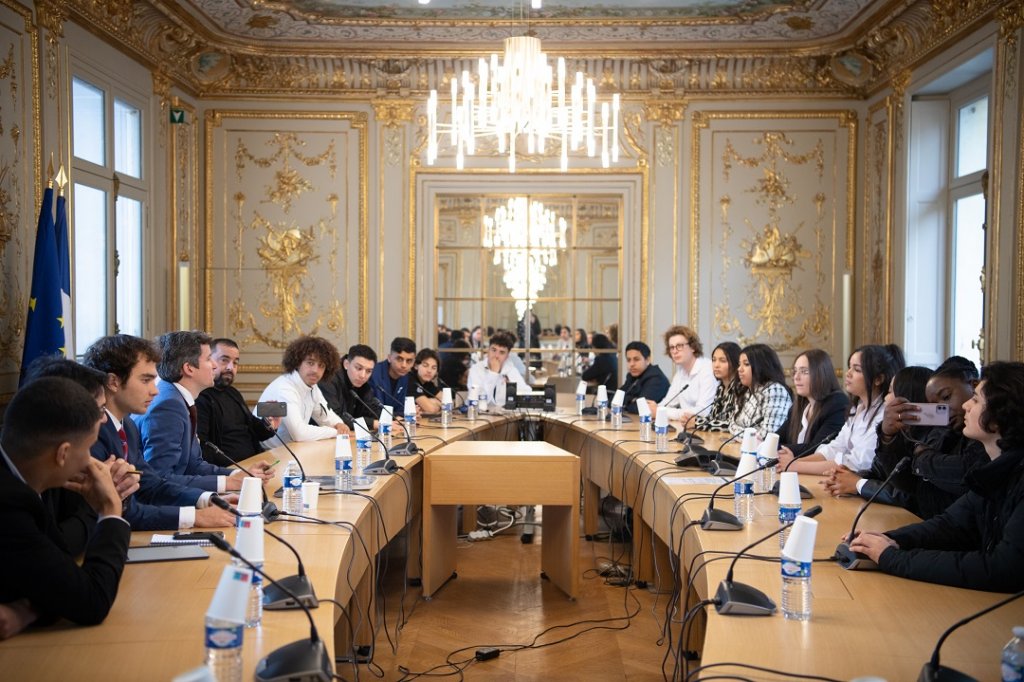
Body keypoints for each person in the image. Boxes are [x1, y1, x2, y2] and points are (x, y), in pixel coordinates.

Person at [848, 361, 1024, 592]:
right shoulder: (995, 471)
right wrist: (884, 540)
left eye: (977, 399)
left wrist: (892, 557)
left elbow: (1001, 569)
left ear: (1000, 415)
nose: (966, 405)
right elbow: (950, 524)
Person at [0, 377, 130, 637]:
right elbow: (91, 602)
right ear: (63, 454)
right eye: (89, 448)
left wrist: (29, 609)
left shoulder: (23, 480)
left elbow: (60, 577)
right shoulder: (8, 504)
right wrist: (111, 511)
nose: (93, 461)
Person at [85, 335, 236, 531]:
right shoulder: (91, 434)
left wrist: (208, 499)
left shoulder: (127, 425)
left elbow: (151, 484)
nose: (155, 391)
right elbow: (125, 511)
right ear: (113, 382)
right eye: (146, 380)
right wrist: (195, 517)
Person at [826, 360, 988, 519]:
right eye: (933, 404)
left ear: (908, 398)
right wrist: (887, 438)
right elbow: (885, 473)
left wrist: (858, 484)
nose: (886, 399)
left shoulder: (943, 435)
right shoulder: (913, 432)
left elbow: (913, 494)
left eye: (890, 392)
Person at [21, 356, 140, 555]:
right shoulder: (44, 462)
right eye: (101, 409)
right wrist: (105, 505)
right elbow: (56, 550)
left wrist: (113, 492)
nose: (104, 419)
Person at [136, 331, 273, 492]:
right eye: (208, 359)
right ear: (189, 368)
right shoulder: (168, 406)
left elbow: (194, 464)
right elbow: (161, 478)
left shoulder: (177, 398)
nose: (214, 365)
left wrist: (239, 474)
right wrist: (230, 484)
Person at [777, 343, 903, 475]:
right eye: (849, 367)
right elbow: (835, 448)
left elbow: (856, 464)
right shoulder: (858, 409)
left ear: (878, 379)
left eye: (857, 370)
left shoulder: (883, 415)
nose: (848, 373)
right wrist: (793, 464)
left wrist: (795, 465)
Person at [196, 338, 280, 466]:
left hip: (254, 463)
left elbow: (254, 430)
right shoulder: (200, 398)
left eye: (235, 363)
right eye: (224, 360)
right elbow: (203, 449)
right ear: (209, 361)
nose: (231, 367)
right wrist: (238, 469)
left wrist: (269, 425)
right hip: (230, 471)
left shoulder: (232, 393)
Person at [257, 335, 349, 443]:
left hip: (291, 450)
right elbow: (299, 434)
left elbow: (325, 414)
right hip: (267, 454)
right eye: (310, 363)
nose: (315, 370)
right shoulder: (284, 388)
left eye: (321, 365)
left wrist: (339, 424)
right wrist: (334, 432)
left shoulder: (312, 387)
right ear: (297, 362)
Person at [776, 349, 850, 459]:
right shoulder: (798, 406)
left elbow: (815, 448)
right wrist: (769, 444)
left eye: (804, 372)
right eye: (795, 371)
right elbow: (776, 437)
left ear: (821, 374)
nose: (796, 377)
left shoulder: (837, 403)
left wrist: (773, 447)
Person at [650, 326, 717, 423]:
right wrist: (655, 408)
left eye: (679, 346)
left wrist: (662, 412)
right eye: (671, 347)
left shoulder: (707, 369)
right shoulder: (680, 372)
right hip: (686, 427)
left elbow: (703, 411)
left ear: (693, 347)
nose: (675, 351)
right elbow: (668, 402)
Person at [728, 343, 793, 439]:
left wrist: (737, 432)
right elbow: (732, 423)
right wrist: (744, 432)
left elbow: (767, 436)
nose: (739, 369)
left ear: (761, 366)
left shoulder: (775, 391)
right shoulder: (747, 390)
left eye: (746, 364)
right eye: (739, 364)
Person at [320, 344, 385, 428]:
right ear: (346, 364)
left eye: (368, 371)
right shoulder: (329, 379)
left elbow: (372, 410)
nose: (363, 375)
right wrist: (373, 423)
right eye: (358, 368)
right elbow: (334, 417)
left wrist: (390, 418)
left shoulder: (363, 384)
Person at [466, 331, 530, 408]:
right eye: (493, 350)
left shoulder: (510, 369)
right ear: (488, 350)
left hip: (504, 416)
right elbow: (479, 401)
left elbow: (526, 392)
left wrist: (511, 390)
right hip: (480, 416)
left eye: (502, 352)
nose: (496, 356)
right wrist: (493, 373)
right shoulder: (476, 369)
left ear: (507, 356)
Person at [693, 342, 743, 432]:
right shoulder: (721, 388)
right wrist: (693, 419)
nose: (716, 365)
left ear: (735, 363)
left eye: (722, 361)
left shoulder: (740, 389)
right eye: (714, 360)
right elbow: (713, 418)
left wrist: (697, 423)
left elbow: (732, 425)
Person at [619, 341, 670, 414]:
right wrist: (632, 400)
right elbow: (615, 400)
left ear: (647, 360)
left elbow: (641, 408)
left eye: (636, 359)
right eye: (628, 360)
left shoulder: (656, 378)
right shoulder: (631, 376)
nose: (631, 364)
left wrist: (626, 400)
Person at [370, 337, 417, 414]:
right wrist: (404, 414)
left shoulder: (405, 376)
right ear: (389, 358)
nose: (404, 365)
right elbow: (377, 411)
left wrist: (411, 412)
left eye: (409, 361)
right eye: (399, 359)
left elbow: (401, 407)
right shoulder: (375, 373)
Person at [410, 348, 443, 415]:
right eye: (425, 365)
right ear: (416, 366)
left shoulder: (428, 383)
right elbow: (431, 409)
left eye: (433, 368)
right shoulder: (410, 381)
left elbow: (448, 402)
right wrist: (437, 404)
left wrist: (431, 402)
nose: (429, 371)